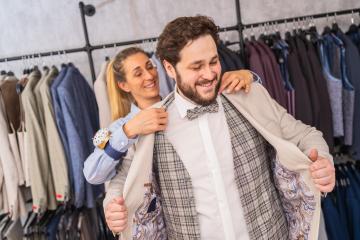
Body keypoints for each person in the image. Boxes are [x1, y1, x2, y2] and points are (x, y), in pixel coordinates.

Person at [104, 16, 335, 240]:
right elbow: (122, 178)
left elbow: (307, 135)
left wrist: (323, 160)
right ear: (170, 69)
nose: (209, 74)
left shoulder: (249, 95)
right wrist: (112, 204)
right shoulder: (151, 123)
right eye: (196, 66)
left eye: (213, 61)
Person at [83, 47, 255, 184]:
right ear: (124, 85)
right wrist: (129, 131)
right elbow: (93, 175)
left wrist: (248, 77)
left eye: (149, 66)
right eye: (138, 73)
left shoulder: (186, 102)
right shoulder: (122, 128)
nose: (149, 75)